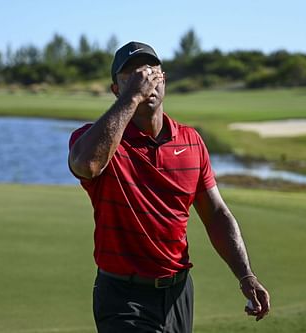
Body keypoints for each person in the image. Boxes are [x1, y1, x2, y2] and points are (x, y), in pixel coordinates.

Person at [68, 41, 270, 333]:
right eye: (132, 77)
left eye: (151, 73)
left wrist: (245, 275)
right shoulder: (94, 139)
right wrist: (132, 97)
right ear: (116, 90)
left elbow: (215, 214)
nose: (145, 80)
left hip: (178, 293)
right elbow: (86, 165)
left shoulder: (191, 141)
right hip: (122, 297)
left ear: (164, 80)